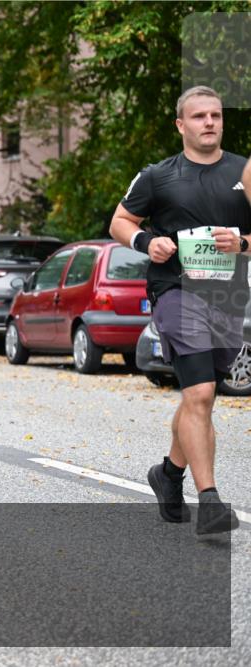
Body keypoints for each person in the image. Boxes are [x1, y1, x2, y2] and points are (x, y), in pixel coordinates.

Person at [110, 86, 249, 535]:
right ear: (181, 125)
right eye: (199, 116)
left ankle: (168, 474)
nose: (209, 122)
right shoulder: (157, 176)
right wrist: (146, 242)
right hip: (176, 292)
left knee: (197, 397)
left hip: (228, 299)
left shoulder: (245, 172)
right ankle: (209, 501)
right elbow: (119, 222)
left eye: (215, 115)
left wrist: (244, 243)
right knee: (203, 394)